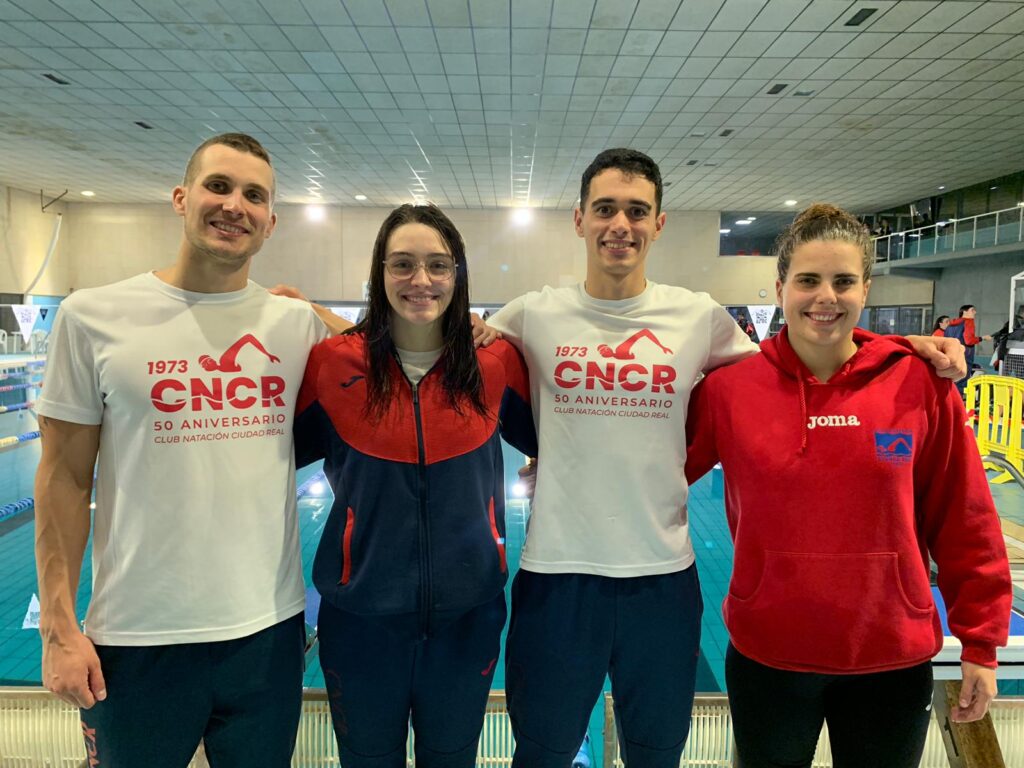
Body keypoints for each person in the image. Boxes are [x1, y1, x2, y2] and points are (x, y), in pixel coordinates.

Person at [485, 148, 968, 768]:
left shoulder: (697, 317)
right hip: (556, 571)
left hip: (661, 577)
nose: (620, 225)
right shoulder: (532, 313)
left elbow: (799, 356)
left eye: (637, 211)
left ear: (659, 223)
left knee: (657, 755)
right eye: (605, 209)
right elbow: (437, 343)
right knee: (542, 752)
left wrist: (897, 349)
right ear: (579, 219)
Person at [33, 133, 350, 767]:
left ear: (270, 222)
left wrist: (314, 307)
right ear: (182, 198)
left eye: (253, 195)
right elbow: (64, 478)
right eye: (219, 186)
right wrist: (59, 629)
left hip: (268, 635)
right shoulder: (93, 316)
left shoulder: (293, 326)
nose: (235, 205)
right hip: (136, 638)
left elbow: (395, 361)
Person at [684, 204, 1011, 768]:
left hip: (891, 655)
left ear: (866, 287)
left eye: (842, 281)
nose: (825, 297)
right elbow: (654, 473)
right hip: (771, 655)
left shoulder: (918, 383)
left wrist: (980, 643)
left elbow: (964, 517)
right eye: (808, 281)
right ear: (781, 286)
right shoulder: (729, 390)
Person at [293, 204, 536, 768]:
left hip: (467, 619)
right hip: (360, 623)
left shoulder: (495, 362)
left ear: (458, 275)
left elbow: (561, 437)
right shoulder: (332, 365)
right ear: (379, 273)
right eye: (402, 264)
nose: (420, 281)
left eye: (437, 266)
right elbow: (259, 451)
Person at [945, 304, 993, 396]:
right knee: (961, 382)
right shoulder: (968, 322)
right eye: (972, 310)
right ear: (964, 312)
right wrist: (982, 338)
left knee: (950, 382)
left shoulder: (950, 325)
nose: (975, 312)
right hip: (964, 357)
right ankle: (958, 407)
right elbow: (969, 340)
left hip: (950, 356)